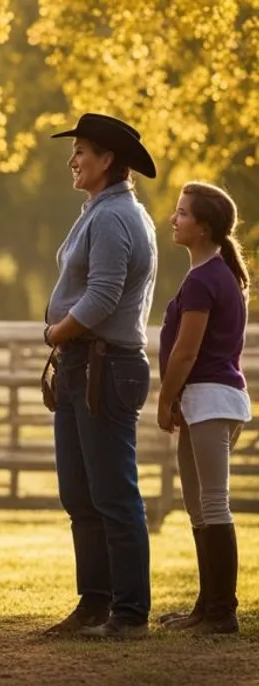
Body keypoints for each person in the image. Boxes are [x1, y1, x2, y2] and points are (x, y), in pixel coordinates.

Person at [41, 113, 159, 639]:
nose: (73, 160)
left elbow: (104, 294)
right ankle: (95, 603)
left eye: (82, 151)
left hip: (103, 365)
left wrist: (57, 331)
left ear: (107, 159)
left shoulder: (113, 218)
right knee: (82, 493)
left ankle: (129, 613)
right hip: (85, 362)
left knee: (112, 492)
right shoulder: (99, 211)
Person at [154, 181, 249, 635]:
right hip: (203, 402)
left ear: (205, 227)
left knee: (213, 502)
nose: (174, 219)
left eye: (183, 214)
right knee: (198, 505)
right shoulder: (213, 275)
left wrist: (165, 398)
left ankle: (222, 613)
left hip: (209, 399)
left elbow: (185, 353)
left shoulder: (206, 279)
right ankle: (205, 607)